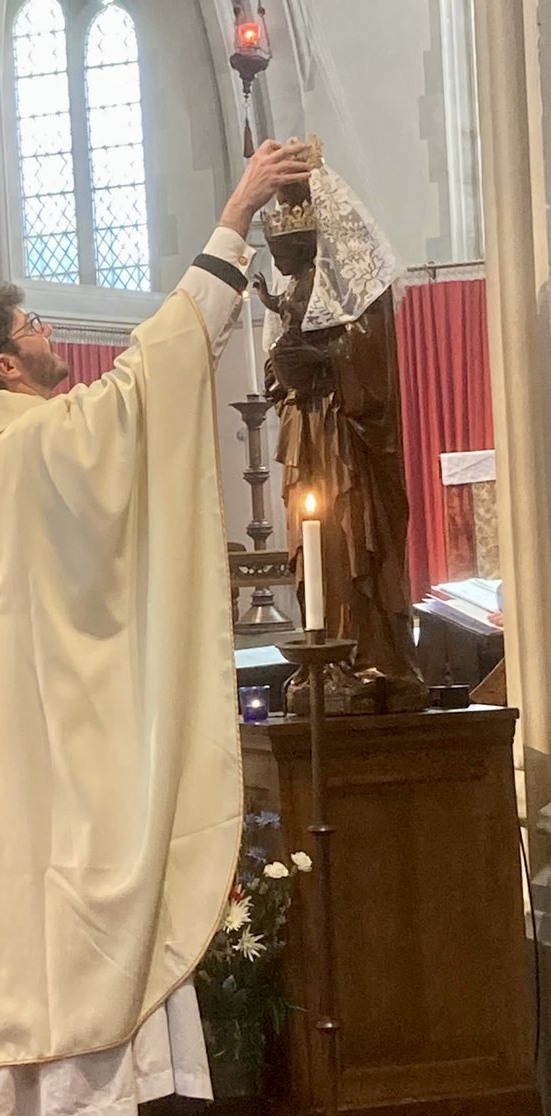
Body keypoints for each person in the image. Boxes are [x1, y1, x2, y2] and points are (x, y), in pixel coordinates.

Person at [0, 140, 311, 1116]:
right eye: (34, 326)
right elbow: (159, 369)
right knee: (77, 967)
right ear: (3, 366)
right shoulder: (45, 446)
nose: (50, 336)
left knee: (3, 1001)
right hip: (53, 793)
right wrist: (237, 213)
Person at [254, 138, 428, 712]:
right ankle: (323, 658)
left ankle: (373, 659)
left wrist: (325, 362)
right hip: (308, 432)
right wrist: (285, 373)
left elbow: (372, 370)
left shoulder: (363, 284)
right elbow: (278, 362)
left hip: (347, 440)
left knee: (355, 538)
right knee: (316, 545)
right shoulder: (293, 288)